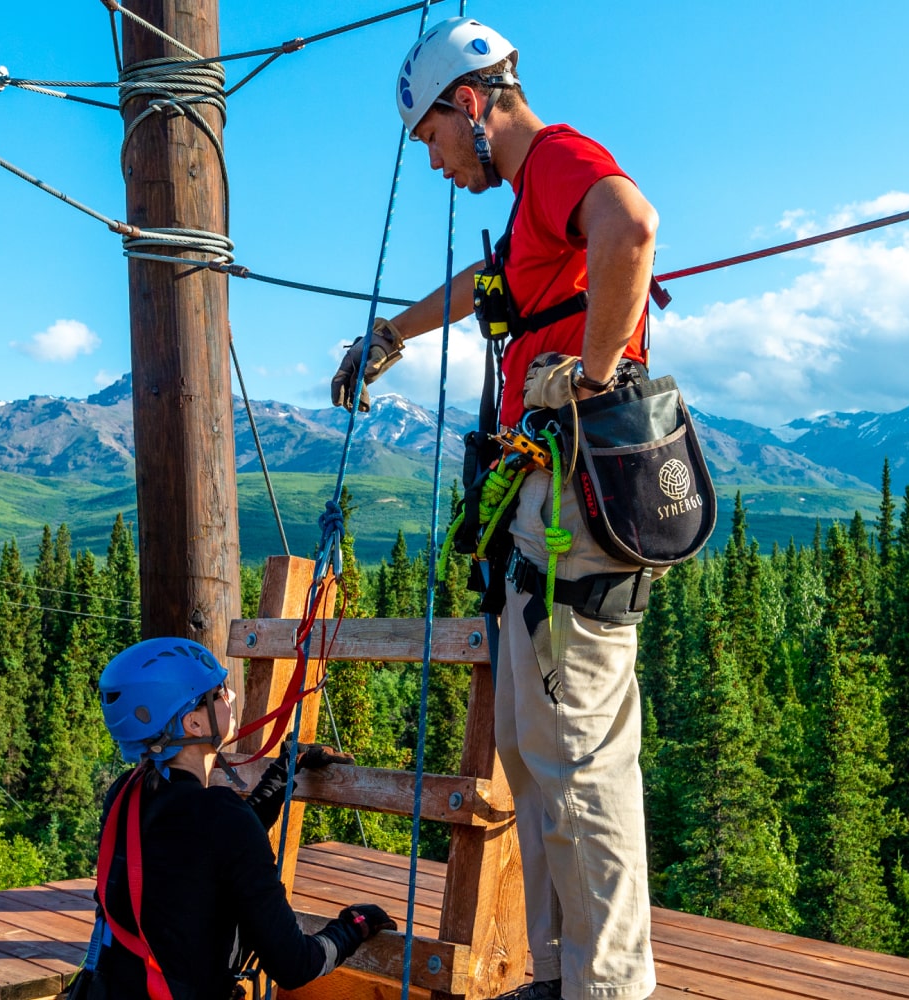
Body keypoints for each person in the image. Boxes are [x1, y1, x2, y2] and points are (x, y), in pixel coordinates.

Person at [329, 17, 661, 1000]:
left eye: (429, 137)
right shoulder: (529, 208)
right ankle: (568, 974)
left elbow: (630, 226)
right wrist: (393, 330)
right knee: (531, 745)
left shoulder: (559, 158)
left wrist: (593, 380)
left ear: (469, 103)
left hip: (575, 484)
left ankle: (604, 987)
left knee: (578, 752)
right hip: (544, 489)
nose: (433, 162)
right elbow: (491, 283)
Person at [71, 637, 396, 1000]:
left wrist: (282, 773)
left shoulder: (126, 794)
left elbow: (210, 849)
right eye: (220, 691)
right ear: (193, 722)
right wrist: (353, 926)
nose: (232, 697)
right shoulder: (218, 818)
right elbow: (295, 963)